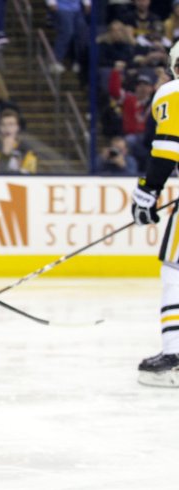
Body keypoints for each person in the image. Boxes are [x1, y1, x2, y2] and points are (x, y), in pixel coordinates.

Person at [129, 41, 179, 388]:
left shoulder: (173, 91)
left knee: (175, 272)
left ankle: (175, 355)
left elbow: (168, 147)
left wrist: (147, 192)